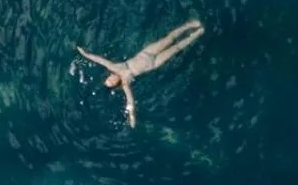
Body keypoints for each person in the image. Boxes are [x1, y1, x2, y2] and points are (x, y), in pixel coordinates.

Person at [76, 20, 205, 128]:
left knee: (169, 38)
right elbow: (130, 100)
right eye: (111, 83)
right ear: (116, 84)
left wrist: (85, 54)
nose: (111, 79)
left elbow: (99, 60)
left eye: (108, 79)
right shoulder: (125, 82)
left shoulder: (115, 67)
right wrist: (132, 117)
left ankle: (189, 25)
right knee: (177, 48)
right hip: (153, 64)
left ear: (108, 76)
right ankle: (197, 34)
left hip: (146, 53)